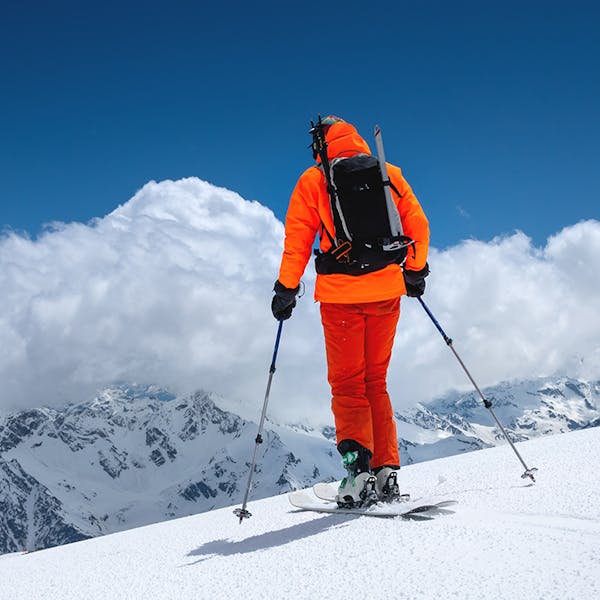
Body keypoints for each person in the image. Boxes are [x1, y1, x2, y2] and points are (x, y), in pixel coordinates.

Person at [271, 116, 430, 507]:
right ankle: (386, 472)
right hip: (387, 291)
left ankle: (358, 476)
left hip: (341, 298)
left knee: (348, 386)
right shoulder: (387, 171)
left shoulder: (314, 180)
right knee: (375, 381)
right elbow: (419, 225)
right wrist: (415, 271)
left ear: (320, 144)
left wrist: (286, 290)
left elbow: (297, 242)